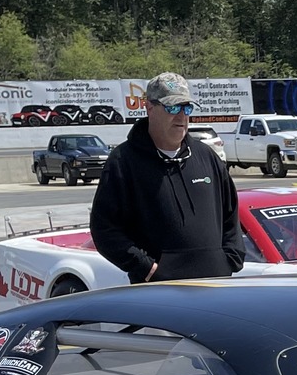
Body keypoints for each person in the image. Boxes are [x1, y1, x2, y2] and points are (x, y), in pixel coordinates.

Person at [89, 72, 245, 284]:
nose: (181, 116)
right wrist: (147, 268)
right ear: (149, 108)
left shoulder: (206, 157)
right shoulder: (123, 161)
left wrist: (229, 259)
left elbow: (231, 214)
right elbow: (104, 229)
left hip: (215, 285)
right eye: (172, 108)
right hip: (159, 291)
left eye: (186, 108)